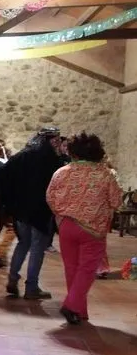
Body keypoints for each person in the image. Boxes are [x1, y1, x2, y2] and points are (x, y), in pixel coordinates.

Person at [46, 133, 122, 325]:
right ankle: (72, 305)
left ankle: (79, 311)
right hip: (93, 228)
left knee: (72, 268)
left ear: (73, 151)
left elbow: (50, 198)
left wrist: (62, 214)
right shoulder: (106, 174)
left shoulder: (61, 172)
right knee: (87, 270)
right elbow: (116, 201)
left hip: (66, 225)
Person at [0, 128, 64, 300]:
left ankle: (13, 278)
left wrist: (10, 200)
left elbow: (0, 175)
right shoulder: (52, 159)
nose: (57, 143)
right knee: (37, 249)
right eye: (55, 140)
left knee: (23, 244)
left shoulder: (23, 155)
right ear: (50, 140)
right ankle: (31, 287)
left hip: (21, 210)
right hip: (41, 210)